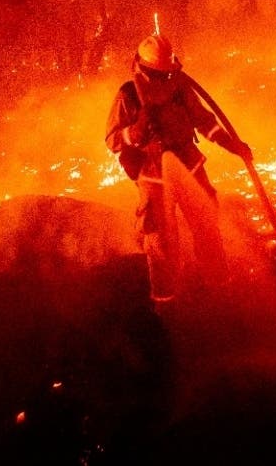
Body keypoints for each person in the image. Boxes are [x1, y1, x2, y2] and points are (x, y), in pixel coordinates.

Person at [105, 33, 252, 310]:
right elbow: (112, 140)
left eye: (166, 73)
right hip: (153, 174)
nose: (163, 78)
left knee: (206, 224)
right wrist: (133, 133)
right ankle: (165, 301)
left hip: (188, 166)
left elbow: (205, 122)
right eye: (157, 73)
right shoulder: (129, 95)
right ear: (143, 68)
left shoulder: (180, 87)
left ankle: (220, 286)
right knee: (159, 237)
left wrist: (231, 144)